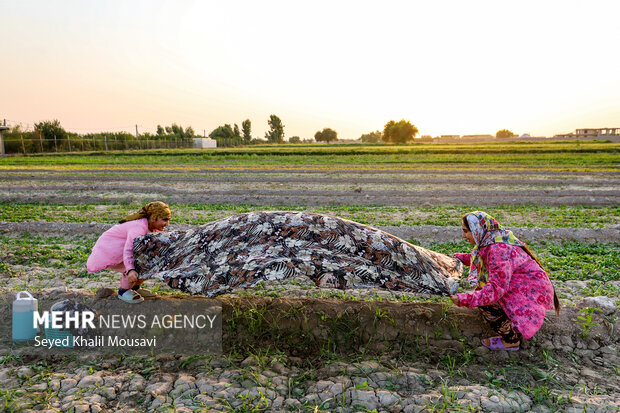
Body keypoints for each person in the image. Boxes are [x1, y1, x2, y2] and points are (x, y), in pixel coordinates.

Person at [450, 211, 560, 350]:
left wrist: (465, 299)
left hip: (531, 291)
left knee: (486, 303)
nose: (463, 236)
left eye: (466, 231)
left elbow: (496, 290)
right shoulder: (491, 240)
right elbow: (480, 258)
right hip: (524, 285)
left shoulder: (497, 249)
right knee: (482, 295)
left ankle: (511, 339)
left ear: (477, 229)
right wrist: (459, 258)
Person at [87, 201, 172, 303]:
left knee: (151, 259)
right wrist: (130, 270)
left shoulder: (150, 226)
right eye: (165, 220)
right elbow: (129, 250)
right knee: (139, 265)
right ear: (154, 218)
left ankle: (135, 287)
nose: (167, 224)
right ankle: (124, 291)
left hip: (119, 250)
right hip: (109, 251)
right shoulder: (138, 228)